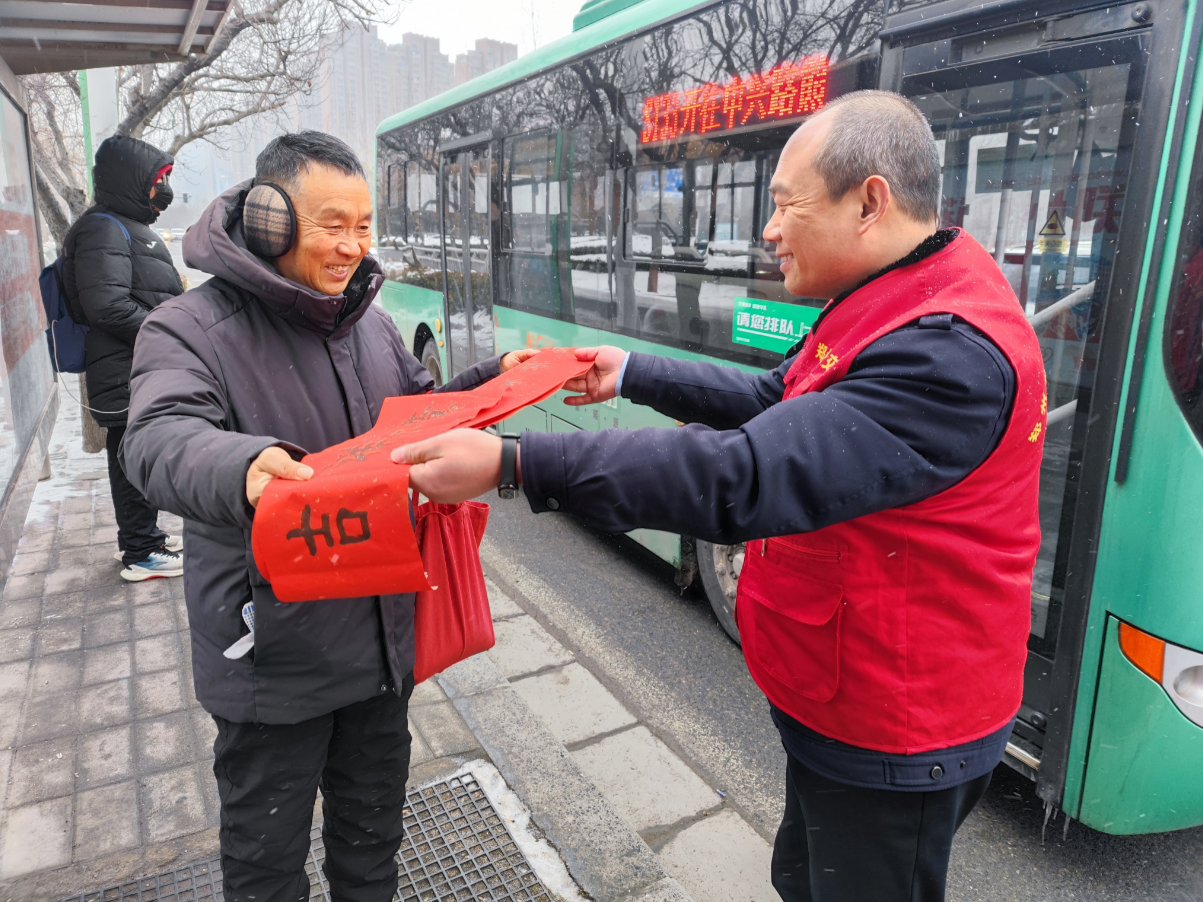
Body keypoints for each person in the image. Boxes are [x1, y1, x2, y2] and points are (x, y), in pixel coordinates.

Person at [391, 91, 1048, 902]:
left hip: (899, 723)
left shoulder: (946, 354)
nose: (767, 230)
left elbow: (739, 476)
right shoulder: (902, 291)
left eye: (783, 205)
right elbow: (784, 397)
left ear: (869, 202)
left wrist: (513, 464)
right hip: (848, 693)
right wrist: (632, 371)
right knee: (802, 877)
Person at [121, 131, 532, 902]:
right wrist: (240, 465)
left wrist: (491, 383)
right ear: (270, 219)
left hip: (380, 648)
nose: (351, 246)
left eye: (364, 226)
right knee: (266, 861)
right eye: (331, 225)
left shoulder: (365, 322)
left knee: (372, 836)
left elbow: (414, 411)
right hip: (273, 659)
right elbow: (155, 438)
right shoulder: (188, 329)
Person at [62, 134, 184, 580]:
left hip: (136, 360)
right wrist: (165, 330)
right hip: (122, 363)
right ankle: (140, 550)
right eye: (158, 181)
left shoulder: (125, 224)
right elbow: (107, 306)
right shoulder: (102, 228)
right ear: (132, 181)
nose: (163, 190)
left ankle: (143, 535)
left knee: (137, 448)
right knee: (130, 453)